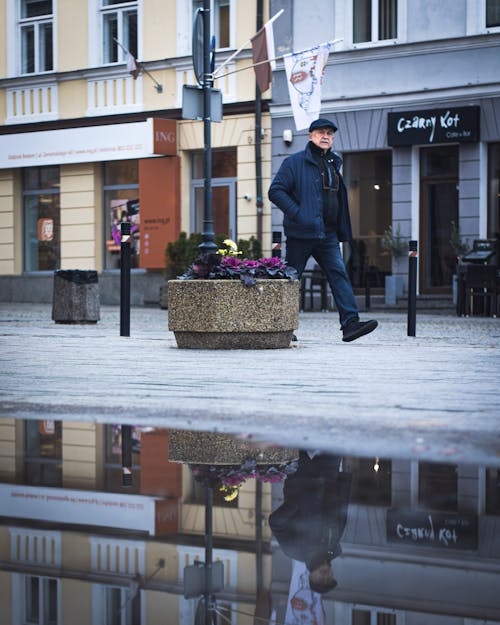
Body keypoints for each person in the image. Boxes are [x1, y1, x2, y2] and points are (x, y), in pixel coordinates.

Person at [268, 117, 378, 342]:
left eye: (329, 133)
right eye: (320, 133)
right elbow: (276, 191)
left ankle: (350, 324)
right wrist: (299, 215)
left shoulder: (333, 164)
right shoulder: (295, 162)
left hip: (327, 234)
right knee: (292, 280)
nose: (325, 136)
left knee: (338, 274)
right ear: (310, 136)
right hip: (301, 234)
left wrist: (340, 227)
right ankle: (283, 329)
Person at [269, 451, 352, 594]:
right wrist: (344, 481)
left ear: (311, 576)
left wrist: (297, 502)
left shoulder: (293, 551)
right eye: (330, 578)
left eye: (321, 579)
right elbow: (341, 511)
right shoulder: (333, 546)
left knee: (301, 433)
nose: (326, 576)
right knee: (331, 434)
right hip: (329, 473)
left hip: (301, 475)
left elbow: (276, 522)